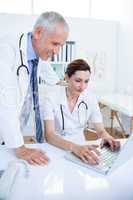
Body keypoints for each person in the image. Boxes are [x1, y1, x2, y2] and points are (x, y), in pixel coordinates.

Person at [0, 11, 69, 165]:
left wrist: (68, 84)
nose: (57, 52)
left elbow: (50, 76)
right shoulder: (6, 49)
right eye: (55, 44)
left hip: (9, 132)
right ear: (38, 32)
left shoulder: (39, 55)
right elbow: (4, 102)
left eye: (60, 46)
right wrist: (20, 148)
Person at [44, 59, 120, 165]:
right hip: (56, 147)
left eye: (86, 81)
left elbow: (101, 131)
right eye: (78, 81)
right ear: (66, 77)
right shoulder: (51, 97)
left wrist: (107, 137)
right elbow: (49, 135)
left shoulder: (90, 98)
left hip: (82, 149)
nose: (83, 87)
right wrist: (75, 148)